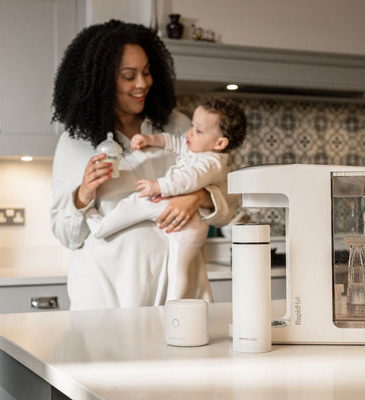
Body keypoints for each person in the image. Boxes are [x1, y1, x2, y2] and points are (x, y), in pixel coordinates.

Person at [50, 20, 238, 310]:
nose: (142, 84)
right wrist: (84, 193)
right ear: (101, 80)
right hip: (108, 298)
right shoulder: (75, 143)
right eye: (129, 75)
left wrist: (198, 197)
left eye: (147, 72)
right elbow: (67, 235)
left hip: (178, 295)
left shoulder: (177, 127)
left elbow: (230, 203)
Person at [85, 98, 247, 300]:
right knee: (178, 271)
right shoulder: (197, 148)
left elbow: (189, 179)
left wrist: (159, 186)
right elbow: (173, 141)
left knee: (138, 201)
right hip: (187, 226)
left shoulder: (211, 162)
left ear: (220, 143)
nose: (189, 133)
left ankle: (101, 226)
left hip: (183, 217)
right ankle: (175, 307)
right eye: (191, 126)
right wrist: (150, 139)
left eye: (198, 130)